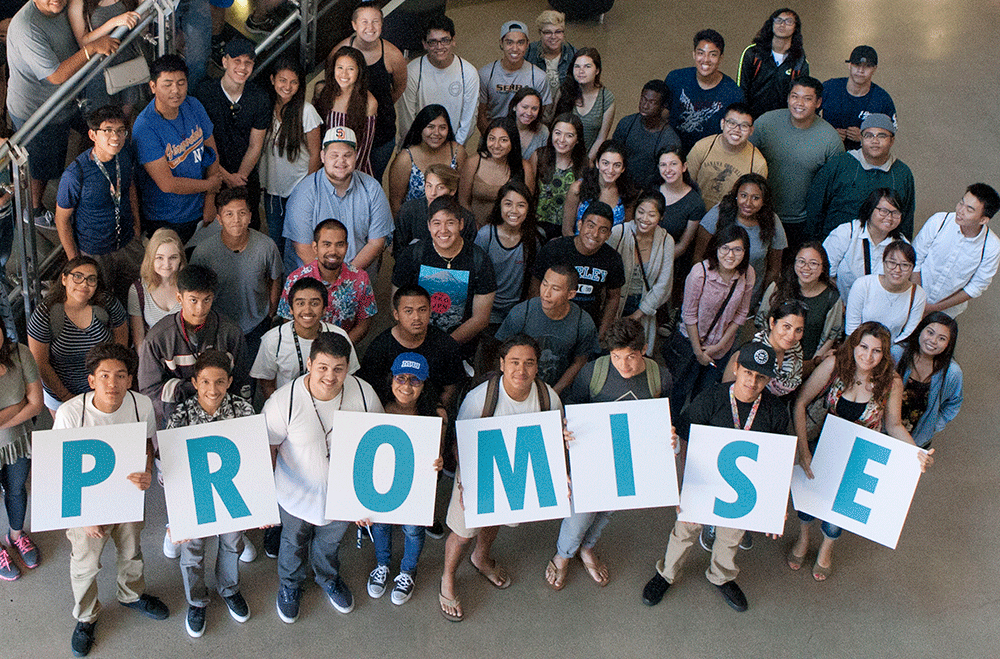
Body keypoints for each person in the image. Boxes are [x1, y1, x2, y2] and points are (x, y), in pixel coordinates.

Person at [642, 342, 787, 613]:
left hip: (743, 490)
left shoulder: (775, 411)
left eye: (761, 377)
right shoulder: (711, 397)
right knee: (685, 528)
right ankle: (667, 574)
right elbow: (685, 440)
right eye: (747, 373)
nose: (752, 382)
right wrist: (683, 486)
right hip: (703, 479)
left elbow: (775, 461)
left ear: (768, 380)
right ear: (736, 368)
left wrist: (775, 508)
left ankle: (722, 576)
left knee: (731, 536)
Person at [790, 323, 932, 580]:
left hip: (860, 454)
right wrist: (802, 450)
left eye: (877, 351)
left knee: (838, 514)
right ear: (854, 345)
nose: (868, 356)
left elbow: (894, 424)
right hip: (823, 444)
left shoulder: (891, 382)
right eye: (864, 347)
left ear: (884, 354)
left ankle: (827, 548)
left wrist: (915, 454)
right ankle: (803, 537)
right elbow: (801, 401)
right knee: (808, 501)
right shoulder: (834, 366)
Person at [53, 343, 168, 657]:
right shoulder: (70, 414)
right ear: (91, 380)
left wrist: (146, 470)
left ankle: (131, 595)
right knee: (85, 564)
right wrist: (81, 515)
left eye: (120, 376)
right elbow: (58, 468)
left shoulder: (140, 405)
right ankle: (86, 616)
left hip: (127, 496)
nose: (112, 383)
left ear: (130, 379)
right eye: (104, 376)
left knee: (132, 551)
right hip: (85, 503)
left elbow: (146, 443)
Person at [439, 334, 561, 622]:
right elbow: (460, 444)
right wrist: (463, 487)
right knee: (462, 533)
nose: (522, 370)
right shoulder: (480, 398)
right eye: (515, 362)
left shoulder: (548, 398)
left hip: (514, 475)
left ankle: (481, 557)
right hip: (476, 473)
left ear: (537, 366)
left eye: (529, 363)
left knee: (495, 521)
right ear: (503, 364)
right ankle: (447, 577)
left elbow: (551, 442)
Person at [264, 332, 382, 623]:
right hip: (294, 495)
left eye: (338, 369)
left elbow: (380, 444)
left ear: (348, 366)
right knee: (292, 544)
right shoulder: (283, 401)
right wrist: (264, 498)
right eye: (323, 368)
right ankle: (290, 585)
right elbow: (267, 447)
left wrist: (368, 501)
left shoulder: (365, 394)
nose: (330, 376)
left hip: (343, 498)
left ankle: (327, 578)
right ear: (309, 364)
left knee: (328, 546)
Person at [549, 318, 672, 591]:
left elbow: (663, 416)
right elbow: (572, 407)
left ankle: (588, 547)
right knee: (580, 512)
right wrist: (566, 428)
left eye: (630, 356)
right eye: (616, 357)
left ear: (644, 349)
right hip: (592, 456)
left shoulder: (659, 376)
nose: (624, 365)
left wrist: (668, 434)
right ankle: (564, 553)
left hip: (628, 459)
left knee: (608, 509)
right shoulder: (593, 372)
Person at [164, 350, 254, 638]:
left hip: (231, 497)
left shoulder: (244, 411)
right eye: (205, 382)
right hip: (195, 498)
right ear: (195, 382)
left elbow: (254, 462)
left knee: (232, 544)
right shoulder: (181, 415)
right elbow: (170, 469)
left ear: (229, 382)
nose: (212, 389)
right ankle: (197, 600)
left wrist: (258, 503)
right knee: (192, 552)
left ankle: (229, 589)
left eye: (219, 382)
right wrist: (176, 517)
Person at [6, 0, 119, 222]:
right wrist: (92, 48)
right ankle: (34, 210)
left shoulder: (67, 5)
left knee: (89, 133)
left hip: (69, 99)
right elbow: (56, 76)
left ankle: (85, 179)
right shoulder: (26, 27)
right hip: (37, 111)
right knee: (41, 165)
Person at [363, 353, 445, 606]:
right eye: (401, 378)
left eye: (415, 381)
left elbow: (437, 455)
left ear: (424, 384)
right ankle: (382, 565)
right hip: (383, 483)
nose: (406, 386)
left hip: (415, 488)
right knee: (381, 524)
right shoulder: (378, 409)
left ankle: (408, 571)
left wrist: (439, 462)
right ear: (391, 379)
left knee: (412, 529)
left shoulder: (436, 416)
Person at [138, 264, 249, 426]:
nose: (200, 308)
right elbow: (149, 390)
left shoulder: (231, 333)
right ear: (179, 298)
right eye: (193, 300)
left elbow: (241, 381)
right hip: (176, 417)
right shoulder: (157, 338)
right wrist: (189, 392)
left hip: (223, 417)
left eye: (207, 300)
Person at [55, 104, 143, 306]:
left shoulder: (124, 154)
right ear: (93, 135)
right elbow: (62, 220)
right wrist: (76, 263)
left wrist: (137, 227)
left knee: (134, 296)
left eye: (121, 131)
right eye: (108, 131)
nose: (116, 137)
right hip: (94, 251)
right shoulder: (75, 174)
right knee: (99, 302)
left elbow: (129, 187)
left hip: (128, 241)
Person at [663, 224, 755, 412]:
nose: (731, 255)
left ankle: (690, 433)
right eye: (725, 248)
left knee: (704, 395)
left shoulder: (747, 274)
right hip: (691, 344)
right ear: (716, 248)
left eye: (737, 249)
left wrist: (719, 347)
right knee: (678, 391)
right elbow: (688, 315)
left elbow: (741, 314)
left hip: (721, 348)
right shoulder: (700, 273)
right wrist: (699, 351)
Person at [133, 54, 223, 243]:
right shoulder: (145, 127)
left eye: (181, 83)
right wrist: (210, 186)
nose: (176, 90)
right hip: (166, 219)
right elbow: (168, 184)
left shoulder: (193, 105)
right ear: (153, 86)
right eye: (167, 84)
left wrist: (210, 200)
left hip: (201, 210)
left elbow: (212, 153)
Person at [282, 126, 393, 280]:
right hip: (312, 279)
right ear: (322, 156)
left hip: (356, 278)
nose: (341, 161)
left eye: (347, 155)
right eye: (334, 155)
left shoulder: (372, 189)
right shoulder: (304, 191)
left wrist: (345, 279)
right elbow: (302, 247)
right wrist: (328, 279)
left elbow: (376, 243)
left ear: (356, 156)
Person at [392, 196, 497, 355]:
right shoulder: (412, 255)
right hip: (414, 345)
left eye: (450, 223)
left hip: (460, 350)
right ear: (428, 225)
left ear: (461, 224)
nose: (443, 230)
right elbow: (395, 305)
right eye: (436, 223)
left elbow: (481, 319)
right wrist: (418, 341)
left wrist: (442, 347)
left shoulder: (479, 260)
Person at [750, 77, 843, 252]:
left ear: (818, 102)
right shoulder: (765, 123)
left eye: (807, 99)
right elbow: (743, 157)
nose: (799, 103)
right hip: (760, 214)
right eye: (795, 96)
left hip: (803, 222)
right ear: (788, 98)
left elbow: (835, 188)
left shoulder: (830, 139)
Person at [27, 256, 128, 417]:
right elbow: (40, 363)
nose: (84, 284)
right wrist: (68, 398)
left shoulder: (108, 303)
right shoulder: (44, 314)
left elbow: (121, 339)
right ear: (64, 279)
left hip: (103, 392)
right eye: (78, 277)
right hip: (62, 395)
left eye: (91, 279)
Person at [190, 187, 282, 359]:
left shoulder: (266, 246)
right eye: (229, 214)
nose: (236, 220)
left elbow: (275, 279)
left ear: (250, 216)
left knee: (252, 377)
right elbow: (195, 290)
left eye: (241, 213)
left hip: (256, 325)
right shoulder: (203, 252)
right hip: (217, 326)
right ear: (219, 219)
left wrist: (270, 312)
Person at [193, 37, 269, 230]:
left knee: (248, 230)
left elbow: (255, 145)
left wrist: (239, 178)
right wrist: (226, 177)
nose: (242, 67)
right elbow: (198, 142)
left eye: (248, 62)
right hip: (211, 175)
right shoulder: (204, 93)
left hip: (245, 178)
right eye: (237, 61)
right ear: (225, 61)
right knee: (210, 231)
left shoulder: (259, 97)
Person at [806, 113, 916, 240]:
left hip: (882, 251)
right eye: (868, 135)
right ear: (861, 138)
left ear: (892, 140)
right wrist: (815, 245)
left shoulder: (902, 173)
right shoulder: (839, 165)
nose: (875, 141)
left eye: (882, 136)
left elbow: (906, 220)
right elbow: (815, 206)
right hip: (835, 246)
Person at [333, 0, 407, 181]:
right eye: (364, 22)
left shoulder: (393, 55)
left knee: (372, 182)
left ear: (382, 24)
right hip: (344, 132)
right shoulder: (340, 52)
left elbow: (399, 87)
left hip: (381, 134)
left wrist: (377, 107)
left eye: (375, 21)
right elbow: (330, 86)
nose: (370, 27)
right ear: (354, 25)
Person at [359, 284, 466, 410]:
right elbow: (368, 390)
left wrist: (436, 417)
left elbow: (451, 389)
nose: (416, 317)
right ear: (396, 314)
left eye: (422, 310)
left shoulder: (446, 345)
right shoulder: (380, 347)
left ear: (430, 311)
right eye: (408, 311)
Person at [495, 265, 598, 393]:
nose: (546, 293)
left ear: (570, 294)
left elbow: (579, 362)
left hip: (560, 390)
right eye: (545, 284)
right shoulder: (522, 313)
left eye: (555, 288)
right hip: (521, 385)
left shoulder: (583, 322)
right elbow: (502, 353)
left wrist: (554, 393)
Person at [253, 277, 359, 402]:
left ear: (324, 309)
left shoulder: (339, 335)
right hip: (289, 405)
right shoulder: (273, 339)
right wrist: (281, 408)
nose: (307, 310)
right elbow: (267, 383)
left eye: (314, 303)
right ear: (291, 309)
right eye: (300, 303)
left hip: (329, 402)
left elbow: (349, 376)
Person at [260, 55, 323, 260]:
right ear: (272, 80)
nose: (287, 86)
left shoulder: (307, 111)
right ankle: (281, 289)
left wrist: (309, 190)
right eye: (282, 80)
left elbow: (316, 154)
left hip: (299, 189)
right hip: (272, 191)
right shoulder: (265, 108)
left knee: (299, 246)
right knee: (275, 244)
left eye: (294, 82)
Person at [533, 201, 625, 338]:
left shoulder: (612, 259)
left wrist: (603, 332)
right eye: (591, 226)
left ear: (608, 235)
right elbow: (535, 283)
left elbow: (613, 297)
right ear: (580, 225)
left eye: (603, 230)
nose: (595, 234)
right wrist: (538, 319)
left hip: (586, 327)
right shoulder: (555, 249)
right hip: (550, 320)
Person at [276, 218, 376, 344]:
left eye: (339, 244)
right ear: (315, 247)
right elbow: (287, 321)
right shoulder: (295, 279)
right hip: (304, 349)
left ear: (347, 246)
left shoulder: (360, 279)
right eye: (326, 244)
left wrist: (340, 348)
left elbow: (364, 322)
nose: (333, 251)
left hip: (342, 351)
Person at [693, 173, 786, 301]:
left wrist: (763, 302)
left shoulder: (772, 221)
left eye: (755, 198)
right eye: (743, 196)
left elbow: (774, 270)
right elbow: (698, 257)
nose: (748, 203)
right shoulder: (719, 213)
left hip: (749, 299)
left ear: (764, 201)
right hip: (712, 295)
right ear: (736, 195)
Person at [912, 183, 1000, 317]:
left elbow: (975, 287)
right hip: (912, 296)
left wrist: (933, 308)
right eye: (961, 203)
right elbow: (915, 259)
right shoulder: (939, 221)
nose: (960, 210)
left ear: (983, 219)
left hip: (945, 312)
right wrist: (918, 300)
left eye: (969, 209)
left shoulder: (992, 247)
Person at [0, 315, 43, 582]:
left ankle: (16, 535)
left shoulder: (20, 354)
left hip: (16, 442)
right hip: (16, 429)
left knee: (17, 489)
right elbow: (26, 403)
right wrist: (18, 406)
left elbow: (36, 404)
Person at [475, 180, 541, 351]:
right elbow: (473, 276)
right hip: (487, 312)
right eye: (508, 204)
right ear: (499, 206)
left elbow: (534, 283)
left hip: (516, 313)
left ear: (529, 209)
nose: (513, 211)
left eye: (521, 205)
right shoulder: (486, 235)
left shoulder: (532, 240)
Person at [755, 242, 842, 368]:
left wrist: (811, 364)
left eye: (813, 263)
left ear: (823, 267)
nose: (806, 268)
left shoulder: (831, 298)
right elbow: (761, 324)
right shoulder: (777, 287)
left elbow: (830, 337)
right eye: (801, 261)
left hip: (807, 363)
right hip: (769, 358)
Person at [607, 193, 675, 353]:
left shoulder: (666, 241)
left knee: (635, 352)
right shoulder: (619, 233)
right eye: (641, 212)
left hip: (644, 306)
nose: (644, 219)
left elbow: (664, 284)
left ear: (661, 217)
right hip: (614, 302)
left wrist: (638, 314)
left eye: (652, 215)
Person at [397, 14, 479, 146]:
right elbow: (407, 119)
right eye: (433, 42)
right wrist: (419, 149)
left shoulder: (469, 73)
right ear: (424, 44)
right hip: (417, 146)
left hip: (452, 146)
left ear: (453, 40)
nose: (439, 46)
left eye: (445, 40)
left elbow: (469, 120)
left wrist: (454, 150)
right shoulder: (412, 71)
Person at [663, 29, 745, 154]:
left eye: (713, 54)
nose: (706, 60)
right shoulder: (675, 78)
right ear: (694, 54)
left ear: (720, 58)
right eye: (701, 53)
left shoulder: (733, 94)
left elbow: (734, 134)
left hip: (710, 158)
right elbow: (662, 115)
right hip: (673, 154)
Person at [892, 312, 963, 449]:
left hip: (918, 438)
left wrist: (935, 424)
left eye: (942, 338)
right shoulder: (897, 353)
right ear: (920, 330)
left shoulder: (952, 373)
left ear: (949, 344)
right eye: (930, 332)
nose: (933, 341)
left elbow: (954, 402)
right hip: (882, 429)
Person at [822, 188, 907, 301]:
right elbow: (823, 273)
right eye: (884, 211)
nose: (890, 217)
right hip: (843, 305)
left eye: (895, 213)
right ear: (870, 209)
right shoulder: (846, 233)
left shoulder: (902, 244)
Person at [685, 102, 768, 210]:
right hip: (697, 213)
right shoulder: (702, 147)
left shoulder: (757, 163)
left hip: (731, 219)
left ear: (751, 131)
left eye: (744, 126)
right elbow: (686, 185)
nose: (737, 130)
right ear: (722, 124)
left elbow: (754, 203)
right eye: (731, 123)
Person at [388, 104, 467, 216]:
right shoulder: (405, 158)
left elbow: (464, 195)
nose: (436, 133)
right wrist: (405, 230)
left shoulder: (457, 152)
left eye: (442, 128)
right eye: (430, 127)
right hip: (414, 222)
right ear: (420, 128)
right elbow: (395, 203)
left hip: (449, 222)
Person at [477, 19, 552, 135]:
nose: (515, 48)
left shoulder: (539, 77)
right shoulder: (485, 74)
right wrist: (492, 139)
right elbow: (480, 115)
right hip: (493, 136)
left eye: (520, 42)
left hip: (526, 136)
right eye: (509, 42)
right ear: (501, 43)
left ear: (527, 44)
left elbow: (543, 117)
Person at [67, 0, 143, 114]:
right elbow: (83, 42)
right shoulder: (79, 2)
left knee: (126, 116)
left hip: (128, 61)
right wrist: (113, 22)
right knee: (102, 118)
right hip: (100, 68)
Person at [459, 116, 533, 229]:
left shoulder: (524, 168)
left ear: (513, 141)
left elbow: (528, 206)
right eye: (492, 138)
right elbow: (463, 201)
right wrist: (476, 227)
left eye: (503, 140)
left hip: (510, 230)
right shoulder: (473, 162)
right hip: (475, 228)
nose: (496, 145)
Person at [314, 46, 378, 176]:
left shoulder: (369, 102)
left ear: (359, 71)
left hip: (353, 170)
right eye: (340, 68)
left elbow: (363, 150)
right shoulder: (322, 91)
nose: (344, 74)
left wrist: (344, 178)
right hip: (324, 167)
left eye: (350, 69)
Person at [845, 240, 926, 343]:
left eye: (905, 265)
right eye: (892, 263)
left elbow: (908, 333)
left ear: (912, 268)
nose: (897, 270)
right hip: (859, 344)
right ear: (883, 263)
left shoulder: (918, 294)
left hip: (892, 348)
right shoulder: (863, 285)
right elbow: (852, 328)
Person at [724, 299, 806, 401]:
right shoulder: (747, 353)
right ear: (772, 323)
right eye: (786, 327)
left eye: (798, 330)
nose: (791, 336)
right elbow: (725, 393)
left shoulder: (796, 355)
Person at [821, 46, 897, 151]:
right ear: (849, 65)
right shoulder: (829, 88)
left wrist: (866, 137)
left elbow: (890, 135)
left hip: (864, 158)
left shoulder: (882, 100)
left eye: (867, 66)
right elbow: (807, 116)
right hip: (826, 152)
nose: (861, 70)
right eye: (857, 65)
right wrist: (827, 133)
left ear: (874, 69)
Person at [736, 8, 809, 118]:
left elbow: (800, 96)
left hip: (782, 121)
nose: (782, 25)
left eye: (788, 21)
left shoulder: (800, 62)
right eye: (778, 20)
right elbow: (742, 89)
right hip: (751, 119)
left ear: (795, 27)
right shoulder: (753, 53)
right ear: (771, 24)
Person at [611, 80, 681, 192]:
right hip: (618, 186)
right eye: (643, 98)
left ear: (663, 106)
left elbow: (665, 177)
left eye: (652, 102)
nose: (645, 105)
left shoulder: (669, 140)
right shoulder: (626, 123)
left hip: (648, 193)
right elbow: (612, 154)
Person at [394, 164, 477, 248]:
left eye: (440, 187)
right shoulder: (408, 210)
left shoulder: (466, 218)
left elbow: (468, 253)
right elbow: (399, 249)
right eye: (429, 186)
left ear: (452, 191)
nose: (433, 193)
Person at [555, 47, 615, 161]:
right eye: (577, 66)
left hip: (586, 160)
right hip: (558, 157)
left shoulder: (606, 98)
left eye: (587, 66)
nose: (581, 71)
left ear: (597, 70)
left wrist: (585, 164)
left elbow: (601, 138)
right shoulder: (564, 91)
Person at [535, 113, 588, 241]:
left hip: (567, 230)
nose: (562, 139)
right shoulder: (539, 156)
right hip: (536, 226)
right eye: (557, 133)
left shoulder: (585, 164)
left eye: (569, 135)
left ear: (577, 140)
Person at [128, 228, 185, 345]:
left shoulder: (189, 286)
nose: (166, 264)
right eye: (159, 257)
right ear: (150, 259)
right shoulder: (138, 290)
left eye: (173, 257)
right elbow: (139, 338)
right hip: (154, 355)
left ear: (180, 259)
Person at [562, 139, 630, 236]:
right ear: (597, 163)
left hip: (611, 249)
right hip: (578, 247)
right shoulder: (578, 188)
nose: (610, 170)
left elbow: (626, 232)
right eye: (605, 163)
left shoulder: (626, 192)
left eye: (617, 165)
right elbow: (567, 230)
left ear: (623, 168)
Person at [525, 9, 574, 104]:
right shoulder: (529, 52)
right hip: (533, 106)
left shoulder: (572, 54)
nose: (553, 36)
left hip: (563, 107)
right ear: (540, 33)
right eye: (547, 32)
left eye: (558, 32)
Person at [508, 87, 548, 163]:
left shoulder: (543, 131)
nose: (529, 113)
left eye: (534, 109)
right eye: (525, 107)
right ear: (515, 107)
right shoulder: (502, 128)